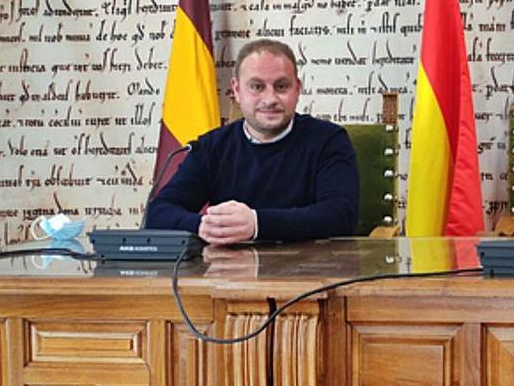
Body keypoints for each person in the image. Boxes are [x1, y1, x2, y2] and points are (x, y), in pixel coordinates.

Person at [145, 39, 359, 244]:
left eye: (281, 86)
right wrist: (203, 225)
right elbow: (158, 213)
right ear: (237, 91)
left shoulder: (329, 140)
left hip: (311, 273)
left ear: (297, 89)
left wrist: (257, 223)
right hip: (228, 275)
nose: (270, 99)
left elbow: (340, 215)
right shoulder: (211, 147)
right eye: (257, 87)